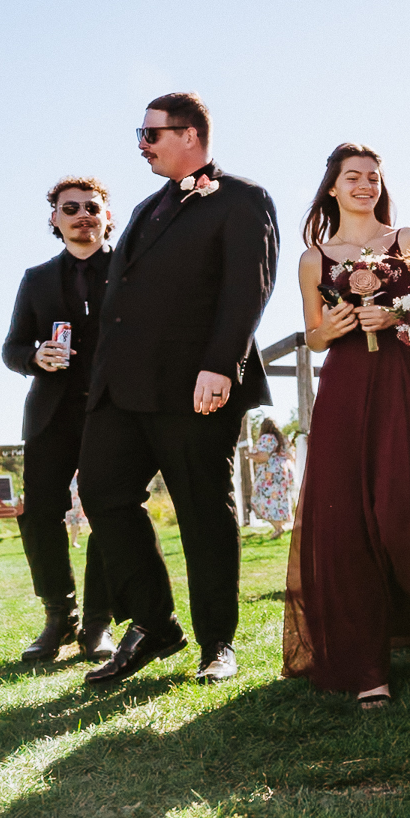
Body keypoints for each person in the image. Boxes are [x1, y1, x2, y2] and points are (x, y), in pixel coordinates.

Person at [78, 93, 280, 686]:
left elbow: (249, 287)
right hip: (120, 388)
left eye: (151, 134)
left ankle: (218, 642)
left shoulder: (242, 199)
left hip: (195, 385)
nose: (141, 145)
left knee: (201, 512)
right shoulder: (143, 209)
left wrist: (221, 364)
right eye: (139, 134)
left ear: (190, 135)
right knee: (103, 493)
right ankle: (156, 625)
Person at [282, 143, 410, 709]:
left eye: (373, 177)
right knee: (349, 516)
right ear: (332, 188)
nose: (365, 185)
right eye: (353, 177)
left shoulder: (408, 242)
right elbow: (313, 334)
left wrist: (394, 314)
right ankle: (365, 660)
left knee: (405, 504)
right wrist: (337, 323)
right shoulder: (314, 258)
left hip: (403, 379)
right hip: (345, 385)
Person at [0, 176, 120, 663]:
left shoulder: (130, 270)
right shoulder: (37, 278)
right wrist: (35, 357)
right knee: (40, 512)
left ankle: (98, 624)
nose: (82, 215)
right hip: (51, 412)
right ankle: (60, 616)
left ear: (108, 215)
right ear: (55, 218)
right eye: (70, 208)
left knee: (110, 512)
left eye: (92, 206)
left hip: (114, 411)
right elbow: (10, 348)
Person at [248, 416, 297, 539]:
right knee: (279, 500)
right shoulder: (283, 439)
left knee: (259, 499)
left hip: (270, 473)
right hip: (284, 471)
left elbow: (264, 456)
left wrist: (249, 455)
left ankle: (278, 528)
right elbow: (292, 455)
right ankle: (278, 529)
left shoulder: (267, 438)